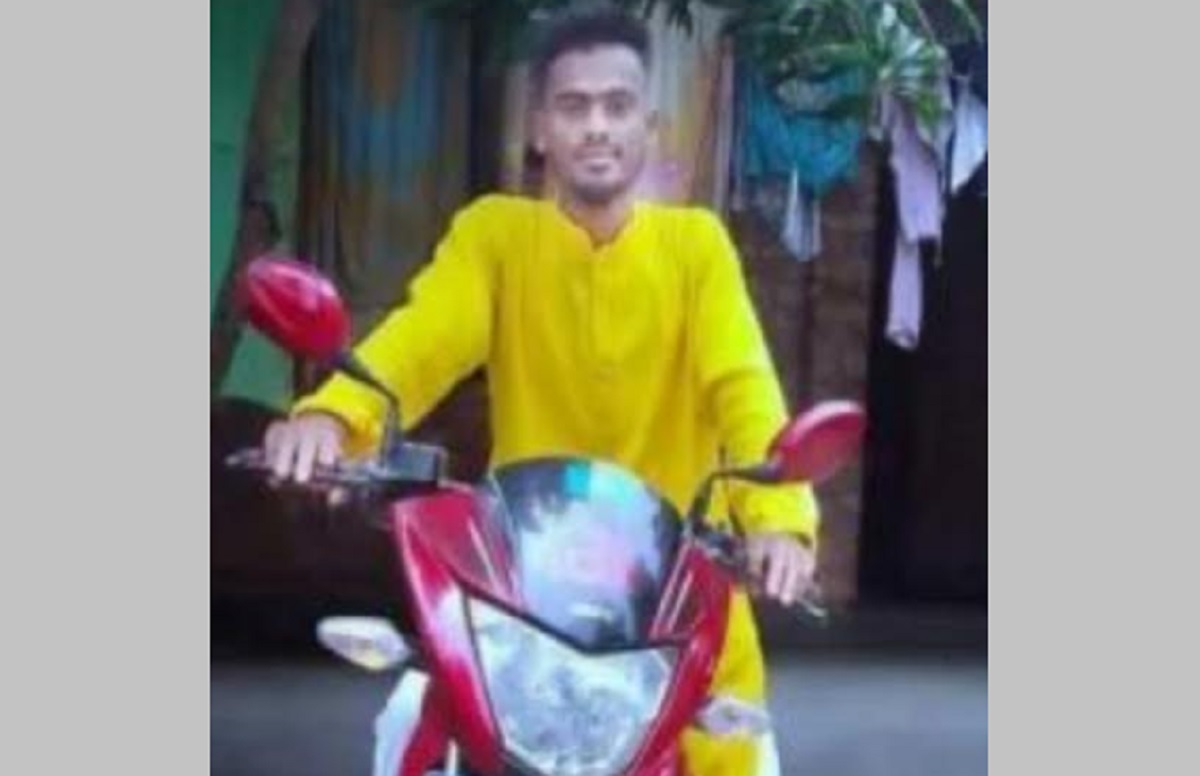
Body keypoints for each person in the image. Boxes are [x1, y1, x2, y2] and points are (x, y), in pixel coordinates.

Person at [263, 8, 819, 774]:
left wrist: (779, 521)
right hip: (520, 605)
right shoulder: (497, 237)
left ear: (649, 126)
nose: (597, 127)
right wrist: (334, 414)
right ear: (539, 130)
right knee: (408, 723)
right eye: (573, 105)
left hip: (676, 607)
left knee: (742, 749)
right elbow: (422, 338)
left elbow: (745, 388)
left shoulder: (698, 250)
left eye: (617, 105)